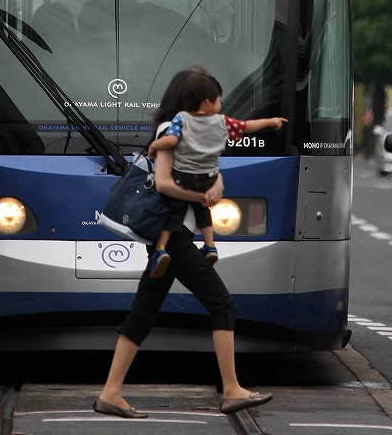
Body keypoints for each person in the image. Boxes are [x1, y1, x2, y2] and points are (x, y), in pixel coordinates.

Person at [93, 66, 274, 420]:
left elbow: (208, 170)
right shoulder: (170, 131)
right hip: (172, 237)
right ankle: (232, 390)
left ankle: (110, 392)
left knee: (142, 314)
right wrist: (203, 195)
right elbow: (163, 183)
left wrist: (216, 186)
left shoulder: (197, 134)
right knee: (223, 306)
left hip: (178, 234)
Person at [147, 70, 287, 278]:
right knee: (205, 216)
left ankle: (160, 249)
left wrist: (153, 147)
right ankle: (210, 245)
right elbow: (246, 126)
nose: (221, 104)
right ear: (206, 101)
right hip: (206, 179)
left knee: (172, 215)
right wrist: (270, 121)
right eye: (219, 100)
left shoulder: (181, 121)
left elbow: (171, 143)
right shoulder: (221, 122)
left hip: (185, 181)